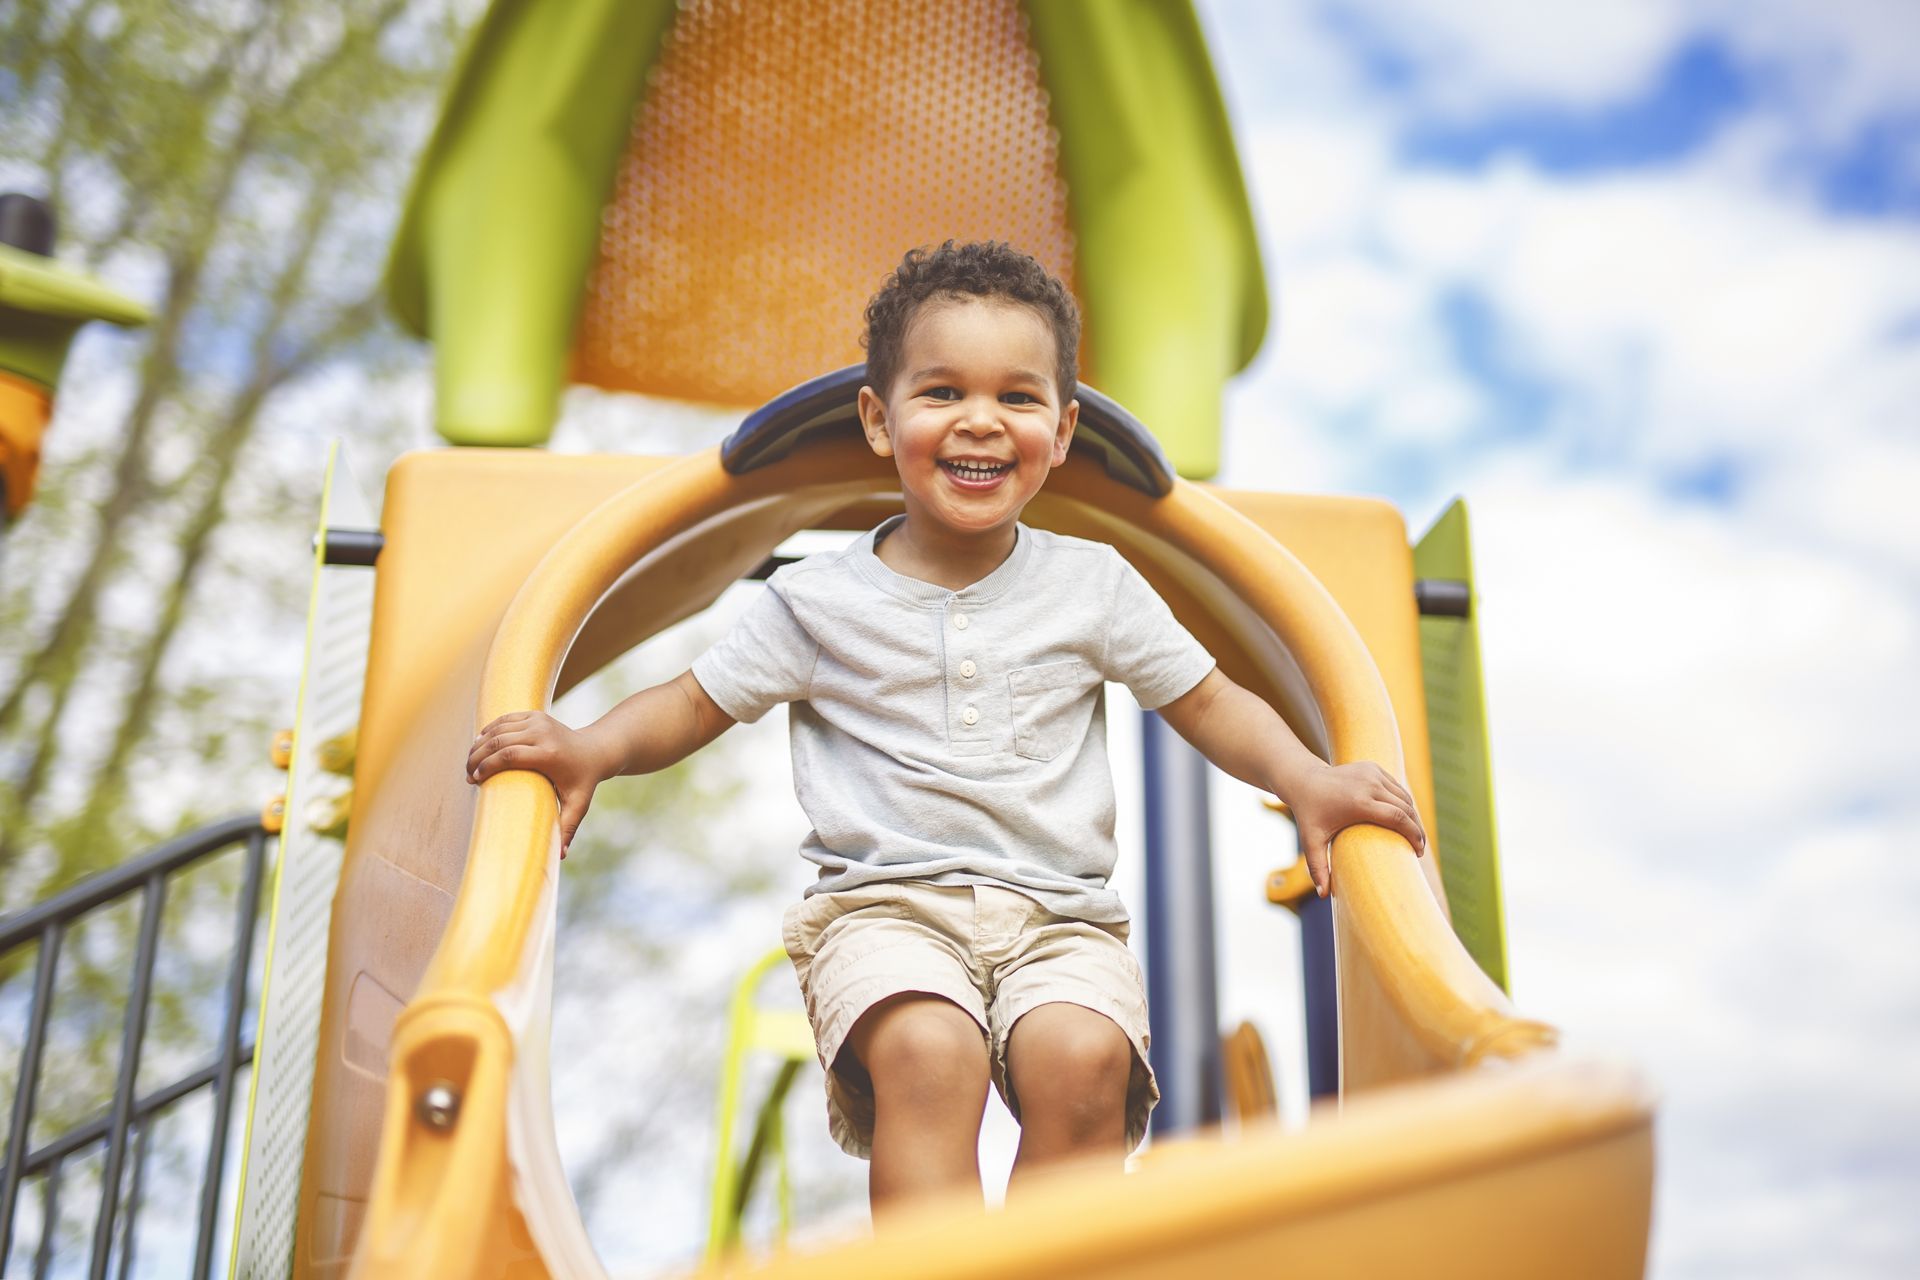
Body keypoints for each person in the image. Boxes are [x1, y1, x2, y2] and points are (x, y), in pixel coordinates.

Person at [466, 241, 1426, 1219]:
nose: (981, 420)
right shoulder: (819, 601)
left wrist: (1310, 779)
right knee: (931, 1050)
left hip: (1062, 917)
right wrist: (590, 747)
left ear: (1061, 431)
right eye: (941, 393)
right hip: (883, 908)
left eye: (1018, 397)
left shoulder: (1093, 584)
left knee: (1084, 1060)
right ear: (881, 421)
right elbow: (691, 699)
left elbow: (1211, 699)